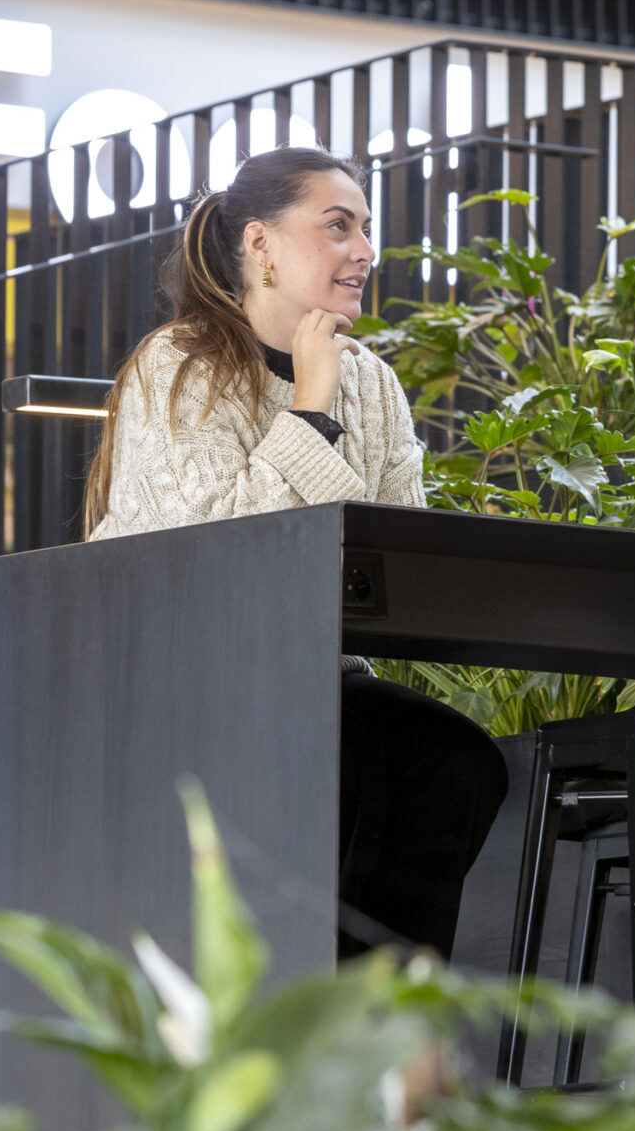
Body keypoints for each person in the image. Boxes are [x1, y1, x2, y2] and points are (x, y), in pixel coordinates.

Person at [86, 146, 509, 960]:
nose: (363, 251)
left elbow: (397, 549)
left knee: (451, 761)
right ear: (261, 245)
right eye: (337, 226)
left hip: (313, 676)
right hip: (181, 681)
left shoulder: (373, 383)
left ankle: (381, 1034)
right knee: (361, 763)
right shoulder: (177, 366)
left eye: (367, 230)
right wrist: (311, 407)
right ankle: (304, 1023)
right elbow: (222, 552)